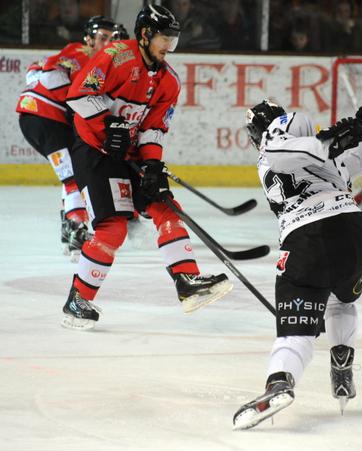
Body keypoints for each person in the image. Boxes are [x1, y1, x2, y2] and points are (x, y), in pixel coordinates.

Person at [232, 89, 362, 430]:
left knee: (295, 334)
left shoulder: (273, 144)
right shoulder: (317, 152)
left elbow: (288, 143)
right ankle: (342, 361)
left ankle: (280, 382)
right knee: (341, 301)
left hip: (309, 241)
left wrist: (349, 132)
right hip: (356, 236)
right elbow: (358, 159)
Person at [60, 4, 233, 330]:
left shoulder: (169, 81)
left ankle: (186, 281)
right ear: (144, 35)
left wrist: (152, 164)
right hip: (95, 151)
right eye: (164, 38)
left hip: (130, 154)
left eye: (173, 40)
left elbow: (153, 128)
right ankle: (78, 299)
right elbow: (79, 93)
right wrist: (108, 123)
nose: (169, 46)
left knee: (166, 206)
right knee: (113, 228)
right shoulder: (115, 55)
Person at [16, 15, 121, 259]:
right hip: (44, 118)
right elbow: (49, 69)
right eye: (103, 37)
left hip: (40, 117)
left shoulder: (82, 56)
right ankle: (77, 228)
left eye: (112, 39)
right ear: (89, 38)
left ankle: (69, 227)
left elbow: (35, 70)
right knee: (72, 175)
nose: (107, 43)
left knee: (72, 172)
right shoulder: (82, 53)